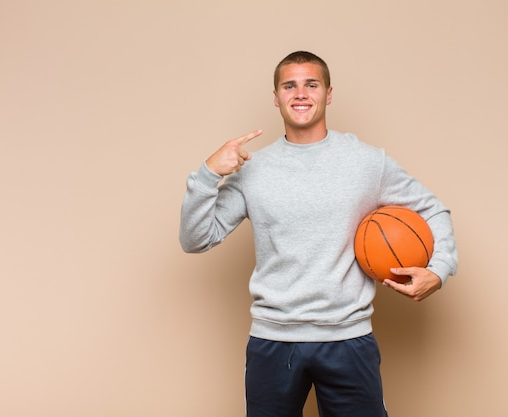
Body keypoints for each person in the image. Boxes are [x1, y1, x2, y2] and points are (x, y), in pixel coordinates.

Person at [179, 51, 458, 417]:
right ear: (276, 97)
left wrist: (438, 269)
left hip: (348, 337)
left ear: (328, 93)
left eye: (311, 84)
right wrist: (207, 175)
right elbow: (195, 239)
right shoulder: (253, 169)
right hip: (273, 339)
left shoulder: (367, 162)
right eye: (289, 85)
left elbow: (433, 210)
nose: (300, 93)